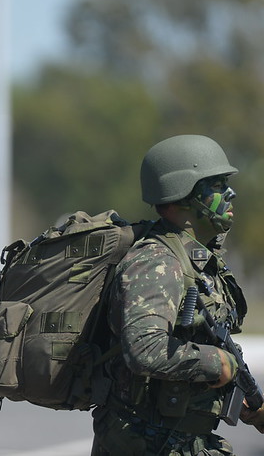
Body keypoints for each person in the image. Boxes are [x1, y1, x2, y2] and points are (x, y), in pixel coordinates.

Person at [90, 134, 264, 455]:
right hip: (147, 442)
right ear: (182, 195)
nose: (230, 194)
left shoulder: (199, 263)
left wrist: (247, 402)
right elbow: (145, 348)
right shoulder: (157, 259)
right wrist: (218, 363)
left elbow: (198, 340)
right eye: (215, 185)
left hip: (182, 440)